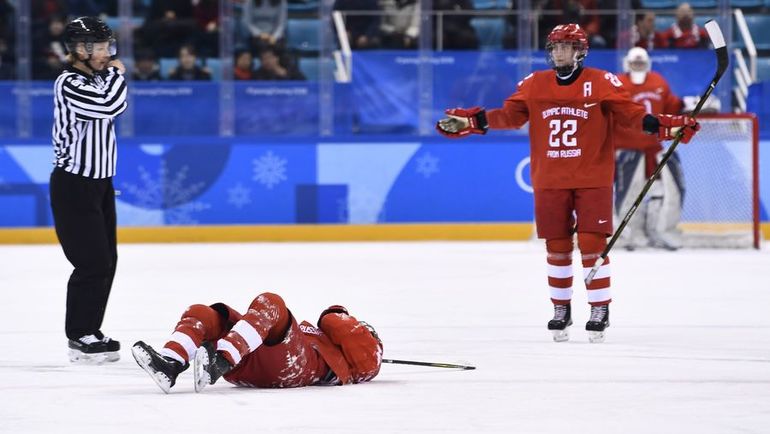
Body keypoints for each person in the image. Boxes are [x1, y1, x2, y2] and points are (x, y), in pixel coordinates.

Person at [435, 24, 699, 343]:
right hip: (550, 179)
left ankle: (599, 308)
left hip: (592, 178)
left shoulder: (601, 82)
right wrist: (471, 122)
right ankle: (561, 308)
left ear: (580, 51)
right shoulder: (535, 83)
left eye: (566, 46)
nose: (558, 52)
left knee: (591, 244)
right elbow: (510, 115)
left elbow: (631, 115)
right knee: (557, 247)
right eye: (555, 47)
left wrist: (665, 127)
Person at [49, 16, 127, 363]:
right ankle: (78, 335)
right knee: (91, 261)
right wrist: (116, 73)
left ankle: (90, 329)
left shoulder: (97, 79)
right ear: (79, 49)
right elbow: (109, 106)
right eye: (100, 47)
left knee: (107, 260)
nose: (107, 54)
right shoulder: (69, 82)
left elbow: (111, 102)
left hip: (100, 185)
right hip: (74, 185)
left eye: (109, 47)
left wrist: (109, 74)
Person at [131, 292, 383, 394]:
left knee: (271, 302)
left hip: (293, 367)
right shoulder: (315, 336)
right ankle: (171, 363)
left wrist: (335, 312)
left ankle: (221, 360)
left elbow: (338, 325)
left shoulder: (359, 354)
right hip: (256, 357)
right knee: (202, 313)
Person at [614, 47, 685, 250]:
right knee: (628, 194)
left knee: (665, 192)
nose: (638, 66)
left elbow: (671, 107)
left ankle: (661, 232)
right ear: (627, 63)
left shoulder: (658, 82)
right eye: (635, 63)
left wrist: (686, 104)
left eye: (641, 63)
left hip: (654, 150)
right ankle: (629, 235)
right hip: (626, 150)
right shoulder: (618, 84)